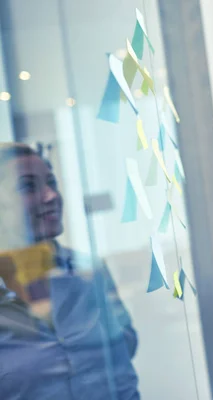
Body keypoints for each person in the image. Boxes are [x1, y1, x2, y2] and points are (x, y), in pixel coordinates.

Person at [0, 143, 139, 399]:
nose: (51, 195)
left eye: (51, 182)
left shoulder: (90, 272)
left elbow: (123, 360)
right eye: (28, 186)